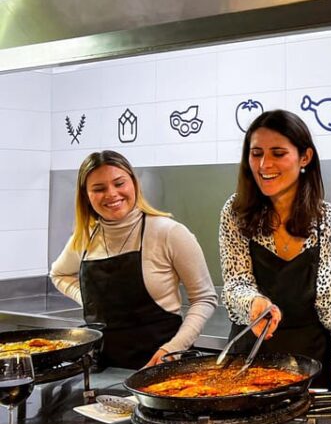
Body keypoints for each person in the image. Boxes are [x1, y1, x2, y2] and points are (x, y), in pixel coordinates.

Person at [220, 109, 331, 391]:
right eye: (256, 153)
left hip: (314, 367)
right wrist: (253, 304)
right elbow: (235, 282)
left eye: (278, 153)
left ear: (305, 157)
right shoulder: (236, 212)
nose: (264, 164)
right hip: (248, 366)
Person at [50, 151, 217, 370]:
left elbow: (204, 298)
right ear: (86, 196)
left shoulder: (169, 232)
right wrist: (91, 299)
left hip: (162, 367)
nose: (111, 194)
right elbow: (58, 274)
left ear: (134, 183)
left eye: (119, 183)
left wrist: (173, 348)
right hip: (104, 369)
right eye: (99, 189)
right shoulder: (84, 237)